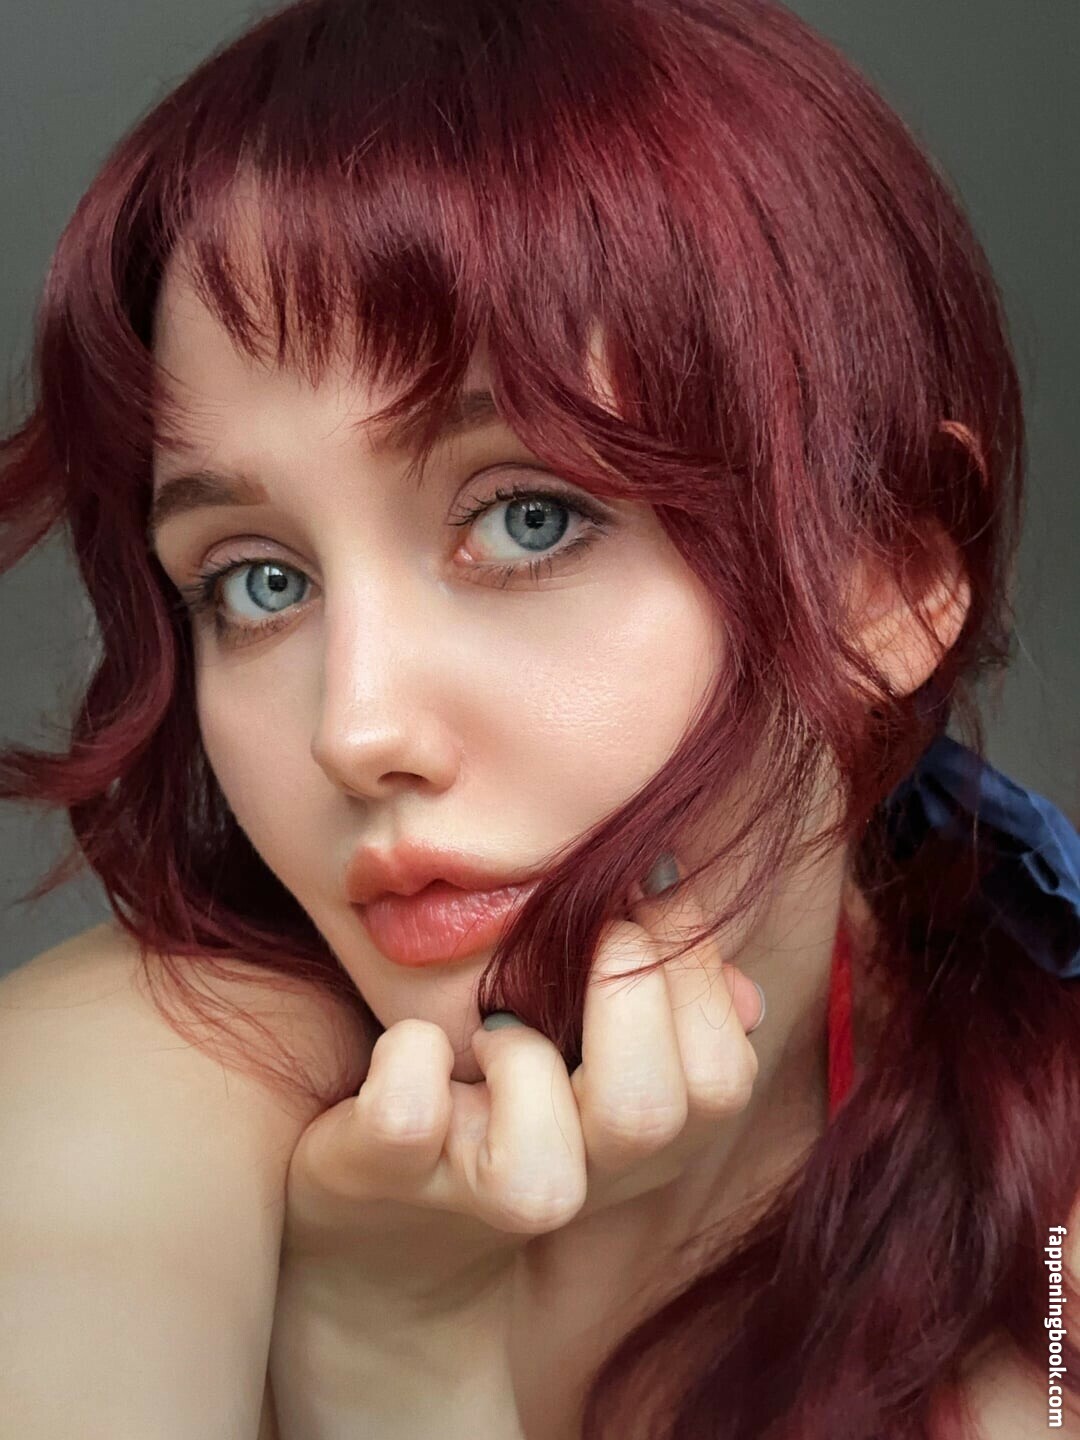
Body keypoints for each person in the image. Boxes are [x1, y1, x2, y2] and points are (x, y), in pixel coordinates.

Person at [0, 0, 1077, 1436]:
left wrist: (394, 1370)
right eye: (259, 581)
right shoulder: (130, 1101)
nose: (356, 730)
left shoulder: (1044, 1230)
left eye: (527, 517)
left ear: (883, 582)